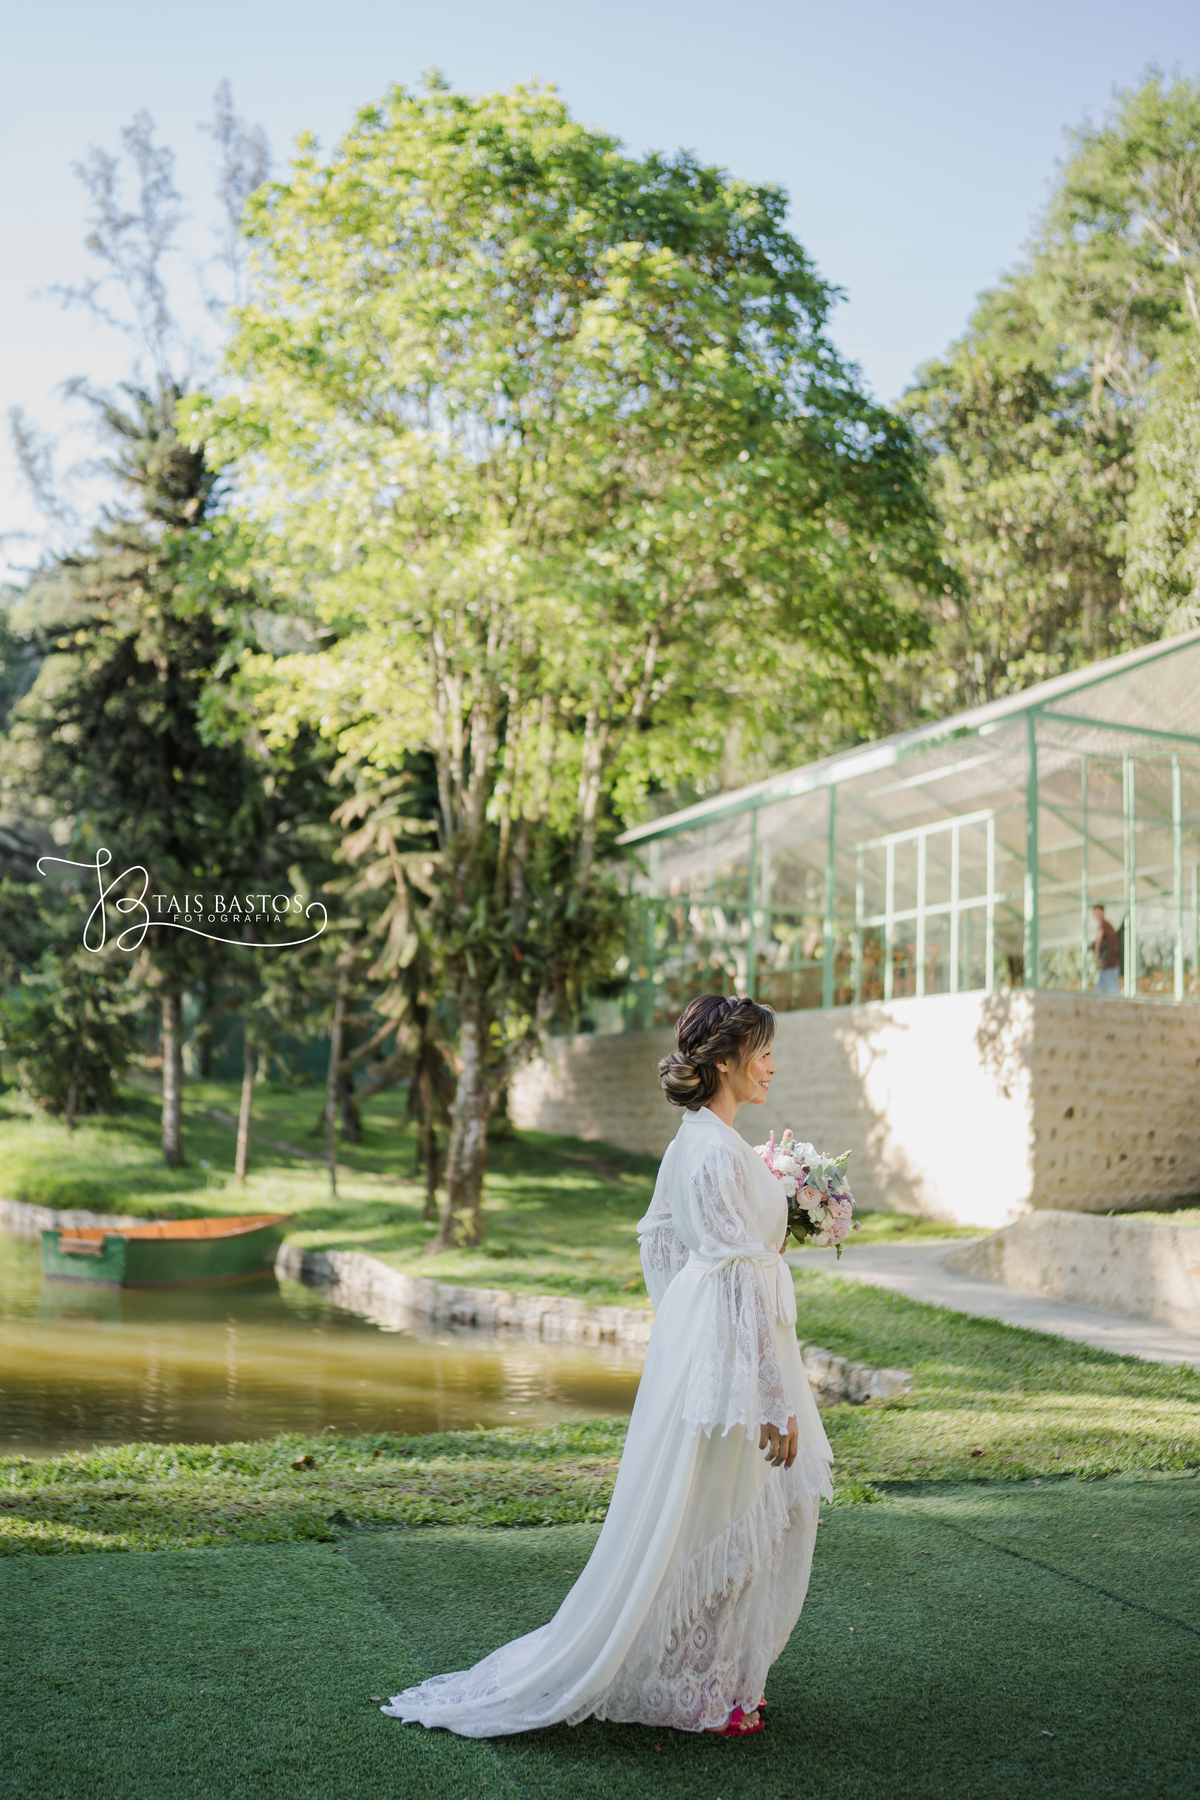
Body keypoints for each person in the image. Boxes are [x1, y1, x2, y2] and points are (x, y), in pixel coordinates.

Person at [383, 993, 832, 1739]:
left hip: (714, 1349)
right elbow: (730, 1273)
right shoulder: (712, 1150)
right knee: (723, 1508)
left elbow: (663, 1239)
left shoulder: (700, 1141)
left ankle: (718, 1679)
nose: (772, 1067)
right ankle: (703, 1691)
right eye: (763, 1054)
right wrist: (770, 1395)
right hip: (731, 1359)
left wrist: (690, 1313)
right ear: (726, 1061)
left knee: (720, 1505)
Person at [1093, 904, 1122, 995]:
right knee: (1100, 990)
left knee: (1113, 991)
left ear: (1103, 912)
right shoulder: (1106, 925)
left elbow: (1099, 938)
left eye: (1099, 912)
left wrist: (1097, 952)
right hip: (1108, 966)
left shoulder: (1104, 924)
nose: (1097, 914)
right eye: (1095, 912)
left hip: (1110, 965)